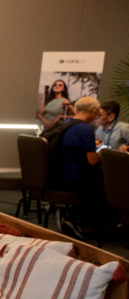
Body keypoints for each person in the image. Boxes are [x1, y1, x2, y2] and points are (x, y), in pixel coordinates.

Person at [52, 97, 102, 239]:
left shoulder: (65, 123)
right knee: (105, 189)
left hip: (58, 175)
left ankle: (69, 216)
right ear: (94, 110)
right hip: (74, 179)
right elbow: (92, 161)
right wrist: (102, 153)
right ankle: (77, 221)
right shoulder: (86, 129)